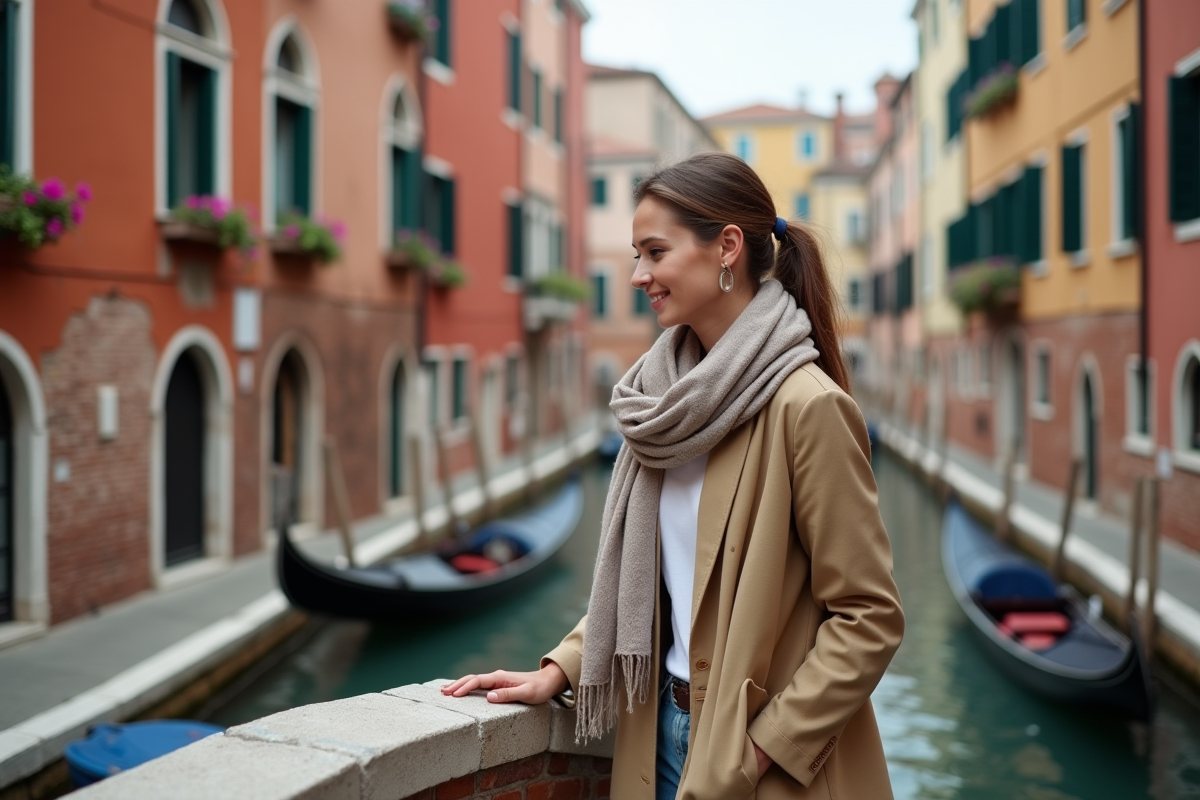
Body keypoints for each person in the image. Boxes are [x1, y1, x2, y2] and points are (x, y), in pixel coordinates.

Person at [442, 152, 904, 799]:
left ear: (727, 248)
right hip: (652, 729)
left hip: (762, 760)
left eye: (654, 253)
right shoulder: (660, 404)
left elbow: (869, 616)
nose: (637, 275)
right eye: (636, 255)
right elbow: (650, 583)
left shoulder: (808, 407)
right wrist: (562, 669)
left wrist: (759, 750)